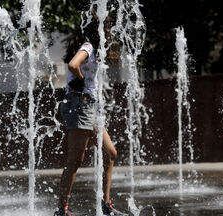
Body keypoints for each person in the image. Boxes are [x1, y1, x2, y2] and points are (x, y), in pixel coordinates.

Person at [54, 17, 126, 216]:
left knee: (110, 153)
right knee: (75, 159)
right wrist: (82, 82)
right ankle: (62, 210)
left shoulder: (93, 48)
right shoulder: (88, 46)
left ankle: (106, 205)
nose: (110, 31)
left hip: (88, 107)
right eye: (107, 28)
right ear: (98, 30)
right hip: (79, 105)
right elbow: (72, 65)